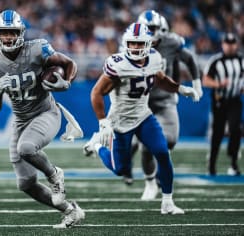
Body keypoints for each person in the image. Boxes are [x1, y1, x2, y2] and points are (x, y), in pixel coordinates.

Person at [0, 10, 84, 228]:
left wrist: (68, 81)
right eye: (4, 33)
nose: (8, 37)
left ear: (21, 33)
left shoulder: (38, 48)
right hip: (20, 121)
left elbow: (69, 63)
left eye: (12, 32)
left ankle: (54, 175)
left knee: (26, 148)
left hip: (45, 112)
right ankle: (71, 211)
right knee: (26, 184)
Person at [83, 22, 201, 215]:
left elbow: (160, 79)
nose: (135, 47)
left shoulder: (154, 58)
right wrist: (103, 123)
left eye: (139, 44)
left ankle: (167, 203)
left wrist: (180, 89)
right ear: (126, 43)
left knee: (162, 152)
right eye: (132, 43)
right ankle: (97, 146)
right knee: (120, 168)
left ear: (149, 44)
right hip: (120, 122)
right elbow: (96, 93)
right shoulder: (118, 64)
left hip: (144, 116)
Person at [128, 10, 204, 200]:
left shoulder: (171, 43)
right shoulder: (132, 44)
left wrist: (196, 84)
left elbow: (190, 59)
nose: (149, 33)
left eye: (152, 29)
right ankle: (150, 182)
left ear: (162, 29)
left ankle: (157, 169)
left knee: (169, 140)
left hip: (165, 100)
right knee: (146, 145)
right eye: (146, 29)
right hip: (142, 102)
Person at [202, 32, 243, 176]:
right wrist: (219, 84)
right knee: (217, 133)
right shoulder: (216, 61)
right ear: (223, 44)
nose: (230, 46)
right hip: (220, 101)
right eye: (227, 43)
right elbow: (205, 80)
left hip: (234, 100)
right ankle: (212, 164)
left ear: (236, 44)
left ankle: (233, 163)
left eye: (232, 43)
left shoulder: (241, 60)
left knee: (235, 129)